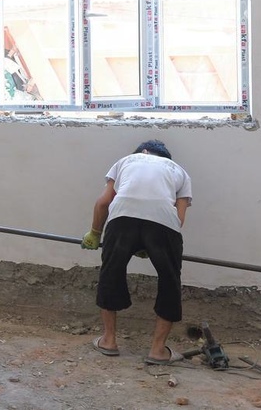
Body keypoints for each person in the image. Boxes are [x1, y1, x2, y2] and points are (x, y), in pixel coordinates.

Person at [81, 139, 193, 365]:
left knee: (111, 273)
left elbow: (103, 202)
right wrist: (151, 242)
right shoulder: (180, 172)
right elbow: (179, 219)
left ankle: (108, 341)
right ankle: (158, 350)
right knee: (170, 281)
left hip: (122, 217)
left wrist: (94, 233)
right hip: (164, 224)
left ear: (143, 152)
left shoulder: (126, 161)